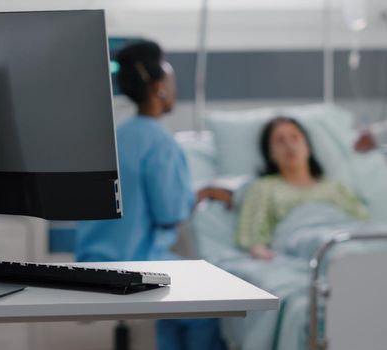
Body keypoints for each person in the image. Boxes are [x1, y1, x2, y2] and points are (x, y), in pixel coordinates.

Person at [75, 40, 226, 350]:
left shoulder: (116, 137)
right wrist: (200, 194)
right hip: (136, 263)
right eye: (170, 79)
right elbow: (170, 213)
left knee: (174, 313)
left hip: (92, 260)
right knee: (208, 309)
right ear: (159, 87)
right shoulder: (161, 144)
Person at [236, 116, 370, 260]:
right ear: (271, 154)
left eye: (295, 137)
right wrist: (261, 252)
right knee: (335, 249)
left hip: (346, 233)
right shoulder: (264, 187)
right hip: (305, 239)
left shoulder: (335, 187)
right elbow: (253, 236)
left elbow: (363, 223)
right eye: (280, 141)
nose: (289, 145)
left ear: (307, 145)